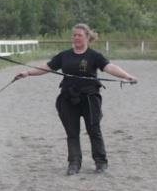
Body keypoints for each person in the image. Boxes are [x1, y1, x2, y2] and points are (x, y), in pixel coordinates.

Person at [14, 24, 137, 175]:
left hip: (90, 98)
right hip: (68, 98)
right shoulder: (64, 55)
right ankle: (74, 163)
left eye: (79, 35)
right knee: (72, 133)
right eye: (74, 35)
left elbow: (109, 67)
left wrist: (126, 76)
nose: (76, 38)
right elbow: (46, 67)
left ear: (87, 37)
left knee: (94, 130)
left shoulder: (94, 56)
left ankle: (100, 162)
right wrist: (28, 72)